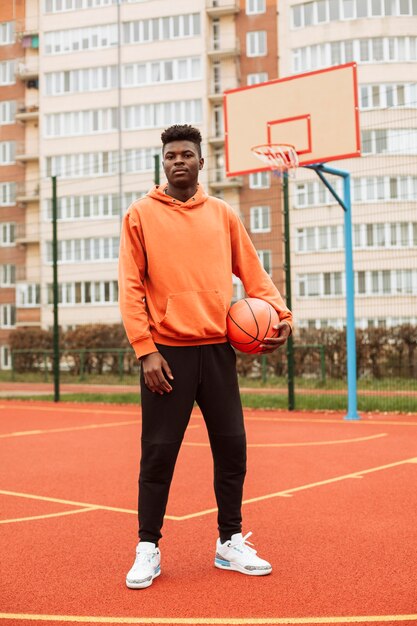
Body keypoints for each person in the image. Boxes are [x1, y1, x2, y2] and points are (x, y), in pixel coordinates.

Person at [118, 124, 293, 589]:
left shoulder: (222, 214)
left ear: (201, 161)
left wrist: (281, 314)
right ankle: (147, 548)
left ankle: (229, 542)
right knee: (158, 454)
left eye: (187, 154)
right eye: (171, 155)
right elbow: (131, 288)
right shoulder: (139, 215)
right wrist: (145, 350)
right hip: (167, 356)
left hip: (217, 351)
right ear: (164, 163)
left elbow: (253, 273)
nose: (179, 160)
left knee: (232, 447)